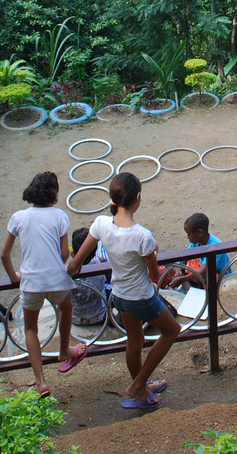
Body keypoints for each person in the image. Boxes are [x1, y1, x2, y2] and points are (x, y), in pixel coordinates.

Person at [69, 172, 180, 411]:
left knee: (135, 340)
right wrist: (153, 251)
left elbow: (76, 263)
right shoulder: (142, 236)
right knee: (172, 330)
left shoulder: (100, 224)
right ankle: (138, 385)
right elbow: (153, 275)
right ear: (138, 198)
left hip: (118, 296)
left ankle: (142, 386)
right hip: (141, 296)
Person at [1, 171, 87, 397]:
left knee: (31, 327)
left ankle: (40, 381)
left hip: (30, 282)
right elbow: (62, 254)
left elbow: (4, 254)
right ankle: (64, 350)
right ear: (55, 194)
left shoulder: (18, 217)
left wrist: (13, 277)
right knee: (66, 307)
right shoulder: (60, 216)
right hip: (56, 279)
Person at [164, 213, 231, 289]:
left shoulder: (215, 246)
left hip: (219, 278)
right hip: (201, 270)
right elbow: (185, 257)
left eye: (188, 234)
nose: (187, 237)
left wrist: (181, 279)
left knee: (203, 275)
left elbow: (202, 271)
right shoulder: (196, 242)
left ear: (199, 233)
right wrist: (179, 270)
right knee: (171, 266)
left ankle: (191, 289)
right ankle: (189, 288)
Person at [70, 228, 108, 326]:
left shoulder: (67, 271)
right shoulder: (101, 263)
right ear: (95, 252)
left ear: (73, 253)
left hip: (75, 319)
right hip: (100, 316)